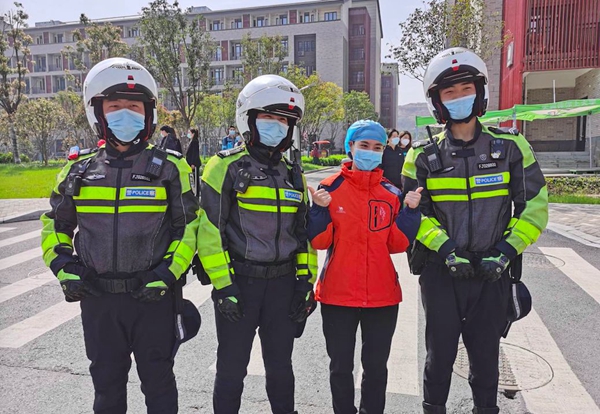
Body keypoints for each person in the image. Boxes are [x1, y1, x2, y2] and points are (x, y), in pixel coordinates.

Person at [40, 57, 200, 414]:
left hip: (154, 297)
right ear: (97, 113)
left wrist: (166, 274)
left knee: (159, 384)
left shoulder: (170, 168)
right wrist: (64, 267)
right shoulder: (77, 170)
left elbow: (189, 227)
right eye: (114, 107)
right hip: (98, 298)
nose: (125, 114)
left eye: (134, 107)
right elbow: (55, 225)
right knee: (106, 386)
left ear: (148, 114)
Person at [401, 47, 548, 414]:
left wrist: (505, 252)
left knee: (485, 358)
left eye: (466, 89)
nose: (458, 98)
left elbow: (534, 208)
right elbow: (415, 215)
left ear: (480, 92)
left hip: (491, 272)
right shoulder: (421, 155)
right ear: (437, 101)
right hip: (442, 273)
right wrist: (446, 249)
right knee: (438, 356)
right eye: (449, 92)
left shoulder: (511, 147)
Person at [196, 74, 318, 414]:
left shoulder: (293, 173)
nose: (277, 125)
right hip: (241, 284)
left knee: (281, 367)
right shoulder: (225, 166)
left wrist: (305, 283)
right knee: (231, 367)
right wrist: (224, 287)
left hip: (283, 285)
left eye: (285, 120)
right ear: (248, 118)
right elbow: (210, 231)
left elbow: (303, 234)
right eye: (269, 116)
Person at [307, 120, 422, 414]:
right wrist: (319, 210)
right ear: (351, 147)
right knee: (340, 367)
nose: (370, 151)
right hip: (337, 295)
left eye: (377, 147)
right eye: (364, 145)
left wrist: (410, 213)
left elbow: (396, 244)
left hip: (382, 296)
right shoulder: (329, 188)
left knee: (376, 367)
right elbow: (320, 242)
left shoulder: (391, 193)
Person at [185, 128, 202, 195]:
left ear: (193, 134)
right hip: (190, 163)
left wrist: (193, 163)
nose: (188, 134)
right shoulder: (192, 141)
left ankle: (197, 192)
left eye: (189, 133)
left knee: (195, 178)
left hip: (194, 164)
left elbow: (195, 153)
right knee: (193, 178)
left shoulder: (195, 142)